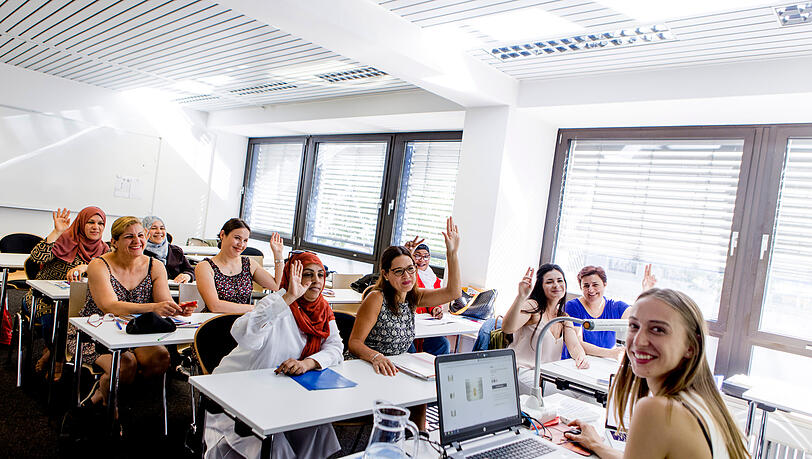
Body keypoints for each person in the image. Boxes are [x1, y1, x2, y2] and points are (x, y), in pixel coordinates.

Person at [565, 289, 749, 459]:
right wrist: (598, 445)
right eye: (634, 326)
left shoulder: (658, 410)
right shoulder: (707, 403)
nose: (639, 340)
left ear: (691, 346)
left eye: (658, 330)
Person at [204, 252, 343, 459]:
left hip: (285, 392)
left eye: (321, 275)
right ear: (293, 277)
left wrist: (309, 363)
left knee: (318, 428)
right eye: (308, 274)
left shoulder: (322, 309)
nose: (316, 281)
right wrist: (288, 297)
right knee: (273, 443)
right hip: (241, 393)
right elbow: (243, 334)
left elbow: (335, 347)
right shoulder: (277, 302)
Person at [66, 216, 193, 406]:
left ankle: (108, 390)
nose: (137, 241)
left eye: (141, 235)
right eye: (128, 237)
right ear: (114, 242)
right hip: (94, 333)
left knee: (160, 358)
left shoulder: (155, 266)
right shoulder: (99, 265)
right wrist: (154, 308)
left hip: (136, 332)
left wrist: (175, 310)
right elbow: (109, 306)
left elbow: (163, 302)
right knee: (125, 364)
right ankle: (108, 407)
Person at [349, 217, 461, 430]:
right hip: (367, 367)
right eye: (399, 271)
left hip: (395, 367)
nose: (407, 276)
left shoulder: (413, 297)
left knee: (422, 391)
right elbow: (354, 343)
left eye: (411, 269)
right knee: (416, 393)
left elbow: (453, 292)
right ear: (386, 274)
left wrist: (452, 254)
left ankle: (421, 437)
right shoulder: (376, 298)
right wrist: (376, 356)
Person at [25, 207, 109, 378]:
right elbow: (37, 258)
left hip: (77, 302)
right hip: (42, 298)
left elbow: (111, 270)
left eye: (100, 223)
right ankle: (58, 358)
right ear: (80, 223)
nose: (96, 227)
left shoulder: (104, 250)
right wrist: (56, 232)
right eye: (90, 222)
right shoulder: (64, 239)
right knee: (53, 319)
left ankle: (52, 350)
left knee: (85, 318)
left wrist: (88, 266)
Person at [503, 264, 589, 395]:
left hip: (545, 376)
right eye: (549, 282)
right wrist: (521, 296)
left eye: (560, 281)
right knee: (564, 396)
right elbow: (508, 328)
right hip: (522, 371)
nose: (556, 285)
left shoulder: (563, 318)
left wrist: (581, 357)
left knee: (583, 393)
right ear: (540, 287)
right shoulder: (533, 306)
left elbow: (575, 347)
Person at [561, 265, 656, 360]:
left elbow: (638, 315)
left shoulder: (616, 307)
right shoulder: (573, 306)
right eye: (586, 286)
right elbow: (577, 343)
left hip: (602, 363)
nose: (590, 289)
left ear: (604, 284)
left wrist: (646, 291)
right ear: (581, 288)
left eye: (595, 285)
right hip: (575, 362)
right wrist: (612, 353)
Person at [194, 218, 284, 313]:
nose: (241, 244)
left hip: (244, 322)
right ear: (222, 235)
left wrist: (278, 254)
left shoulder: (249, 264)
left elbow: (276, 286)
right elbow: (215, 306)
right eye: (237, 238)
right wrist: (257, 308)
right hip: (215, 321)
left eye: (245, 240)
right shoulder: (205, 267)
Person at [402, 237, 450, 355]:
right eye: (417, 256)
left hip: (425, 325)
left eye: (426, 256)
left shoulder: (434, 279)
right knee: (409, 348)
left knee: (443, 343)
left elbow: (433, 300)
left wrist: (435, 308)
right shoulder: (407, 276)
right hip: (407, 324)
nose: (422, 260)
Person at [141, 215, 195, 283]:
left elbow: (190, 270)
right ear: (144, 231)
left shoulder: (175, 251)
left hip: (175, 290)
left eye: (162, 228)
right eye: (153, 228)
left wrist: (187, 275)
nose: (159, 231)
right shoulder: (140, 251)